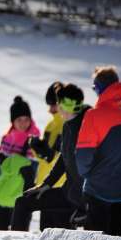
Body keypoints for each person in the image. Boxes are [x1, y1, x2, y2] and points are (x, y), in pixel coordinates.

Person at [76, 66, 121, 236]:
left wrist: (90, 174)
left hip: (97, 191)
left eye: (94, 88)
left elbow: (83, 157)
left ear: (99, 87)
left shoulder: (94, 115)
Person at [11, 84, 89, 231]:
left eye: (59, 104)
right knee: (23, 202)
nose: (56, 108)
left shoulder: (87, 125)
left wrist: (84, 204)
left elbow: (90, 165)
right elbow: (63, 159)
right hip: (67, 192)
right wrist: (46, 184)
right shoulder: (67, 125)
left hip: (82, 199)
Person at [0, 96, 40, 230]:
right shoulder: (8, 139)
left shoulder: (34, 140)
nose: (23, 123)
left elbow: (36, 167)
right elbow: (2, 168)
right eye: (19, 119)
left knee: (18, 237)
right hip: (4, 194)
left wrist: (30, 185)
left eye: (26, 119)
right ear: (12, 121)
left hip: (20, 195)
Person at [28, 81, 74, 231]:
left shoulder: (67, 125)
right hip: (46, 187)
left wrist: (44, 151)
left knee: (63, 236)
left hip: (60, 189)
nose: (50, 109)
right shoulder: (50, 125)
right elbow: (47, 156)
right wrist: (37, 148)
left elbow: (59, 157)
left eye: (52, 104)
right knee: (45, 236)